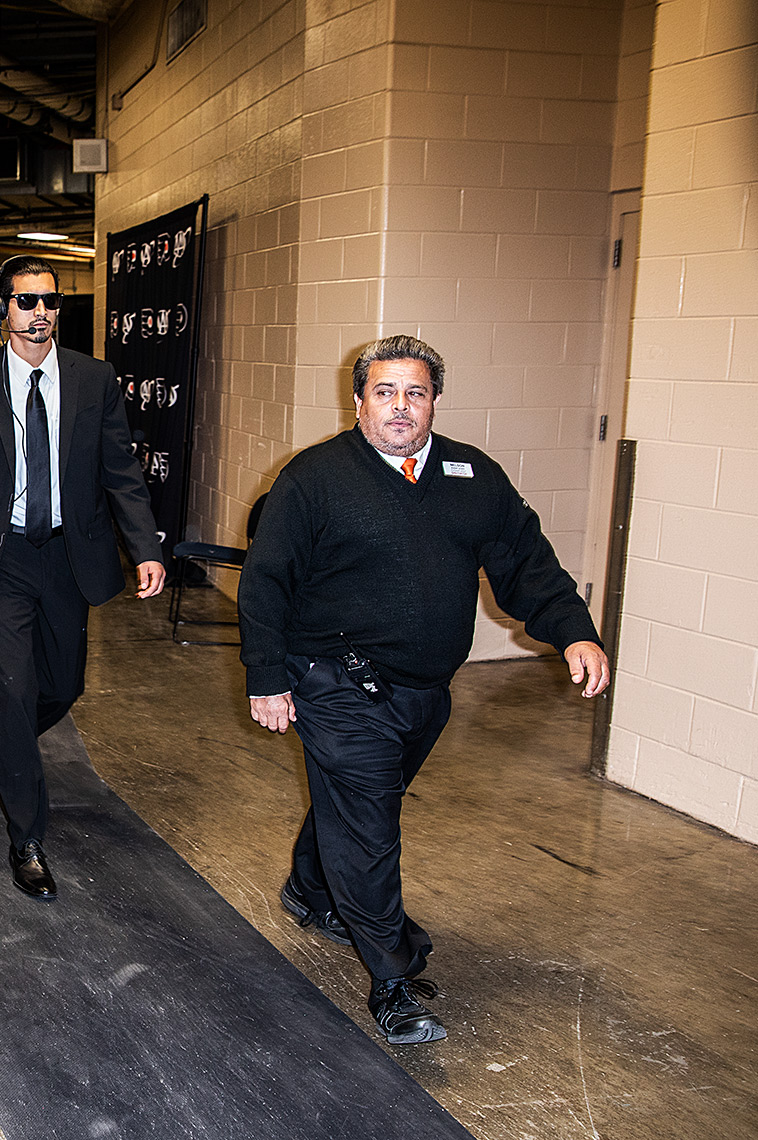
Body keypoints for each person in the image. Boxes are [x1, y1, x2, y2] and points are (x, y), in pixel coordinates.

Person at [238, 334, 609, 1045]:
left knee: (356, 810)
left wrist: (573, 630)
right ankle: (393, 980)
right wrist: (267, 676)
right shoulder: (314, 478)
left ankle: (311, 890)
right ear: (358, 402)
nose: (400, 407)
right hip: (333, 680)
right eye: (384, 392)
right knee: (371, 828)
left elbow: (525, 561)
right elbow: (267, 582)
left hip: (424, 693)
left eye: (415, 393)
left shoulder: (474, 475)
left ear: (435, 400)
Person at [0, 255, 165, 901]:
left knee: (62, 684)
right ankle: (26, 835)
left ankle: (11, 749)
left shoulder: (94, 379)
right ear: (1, 308)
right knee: (10, 688)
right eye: (27, 300)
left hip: (67, 556)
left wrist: (145, 546)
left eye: (51, 301)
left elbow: (121, 471)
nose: (40, 312)